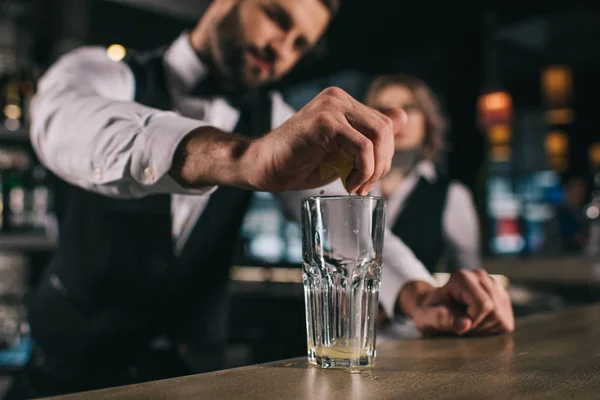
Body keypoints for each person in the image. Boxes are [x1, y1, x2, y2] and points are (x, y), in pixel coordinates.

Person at [6, 1, 511, 398]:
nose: (282, 50)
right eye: (276, 16)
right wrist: (241, 158)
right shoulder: (99, 72)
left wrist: (418, 296)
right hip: (66, 379)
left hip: (193, 383)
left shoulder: (273, 113)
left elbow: (339, 214)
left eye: (299, 44)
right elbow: (66, 127)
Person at [365, 74, 514, 335]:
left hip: (415, 341)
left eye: (409, 107)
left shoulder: (452, 195)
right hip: (348, 340)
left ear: (427, 119)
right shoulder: (350, 190)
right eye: (383, 109)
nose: (396, 118)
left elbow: (467, 276)